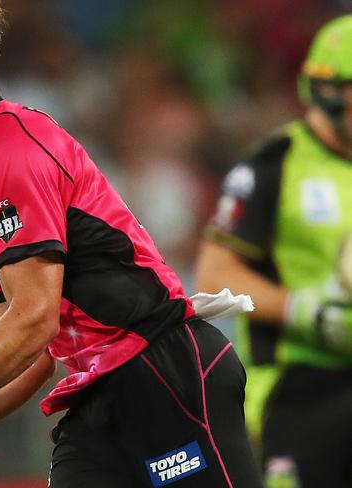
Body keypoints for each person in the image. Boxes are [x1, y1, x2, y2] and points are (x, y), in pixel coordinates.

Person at [0, 1, 263, 486]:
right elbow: (28, 355)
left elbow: (34, 318)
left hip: (163, 370)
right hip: (96, 394)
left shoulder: (15, 150)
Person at [196, 14, 352, 488]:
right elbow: (213, 274)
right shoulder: (273, 166)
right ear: (331, 91)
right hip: (296, 388)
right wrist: (307, 312)